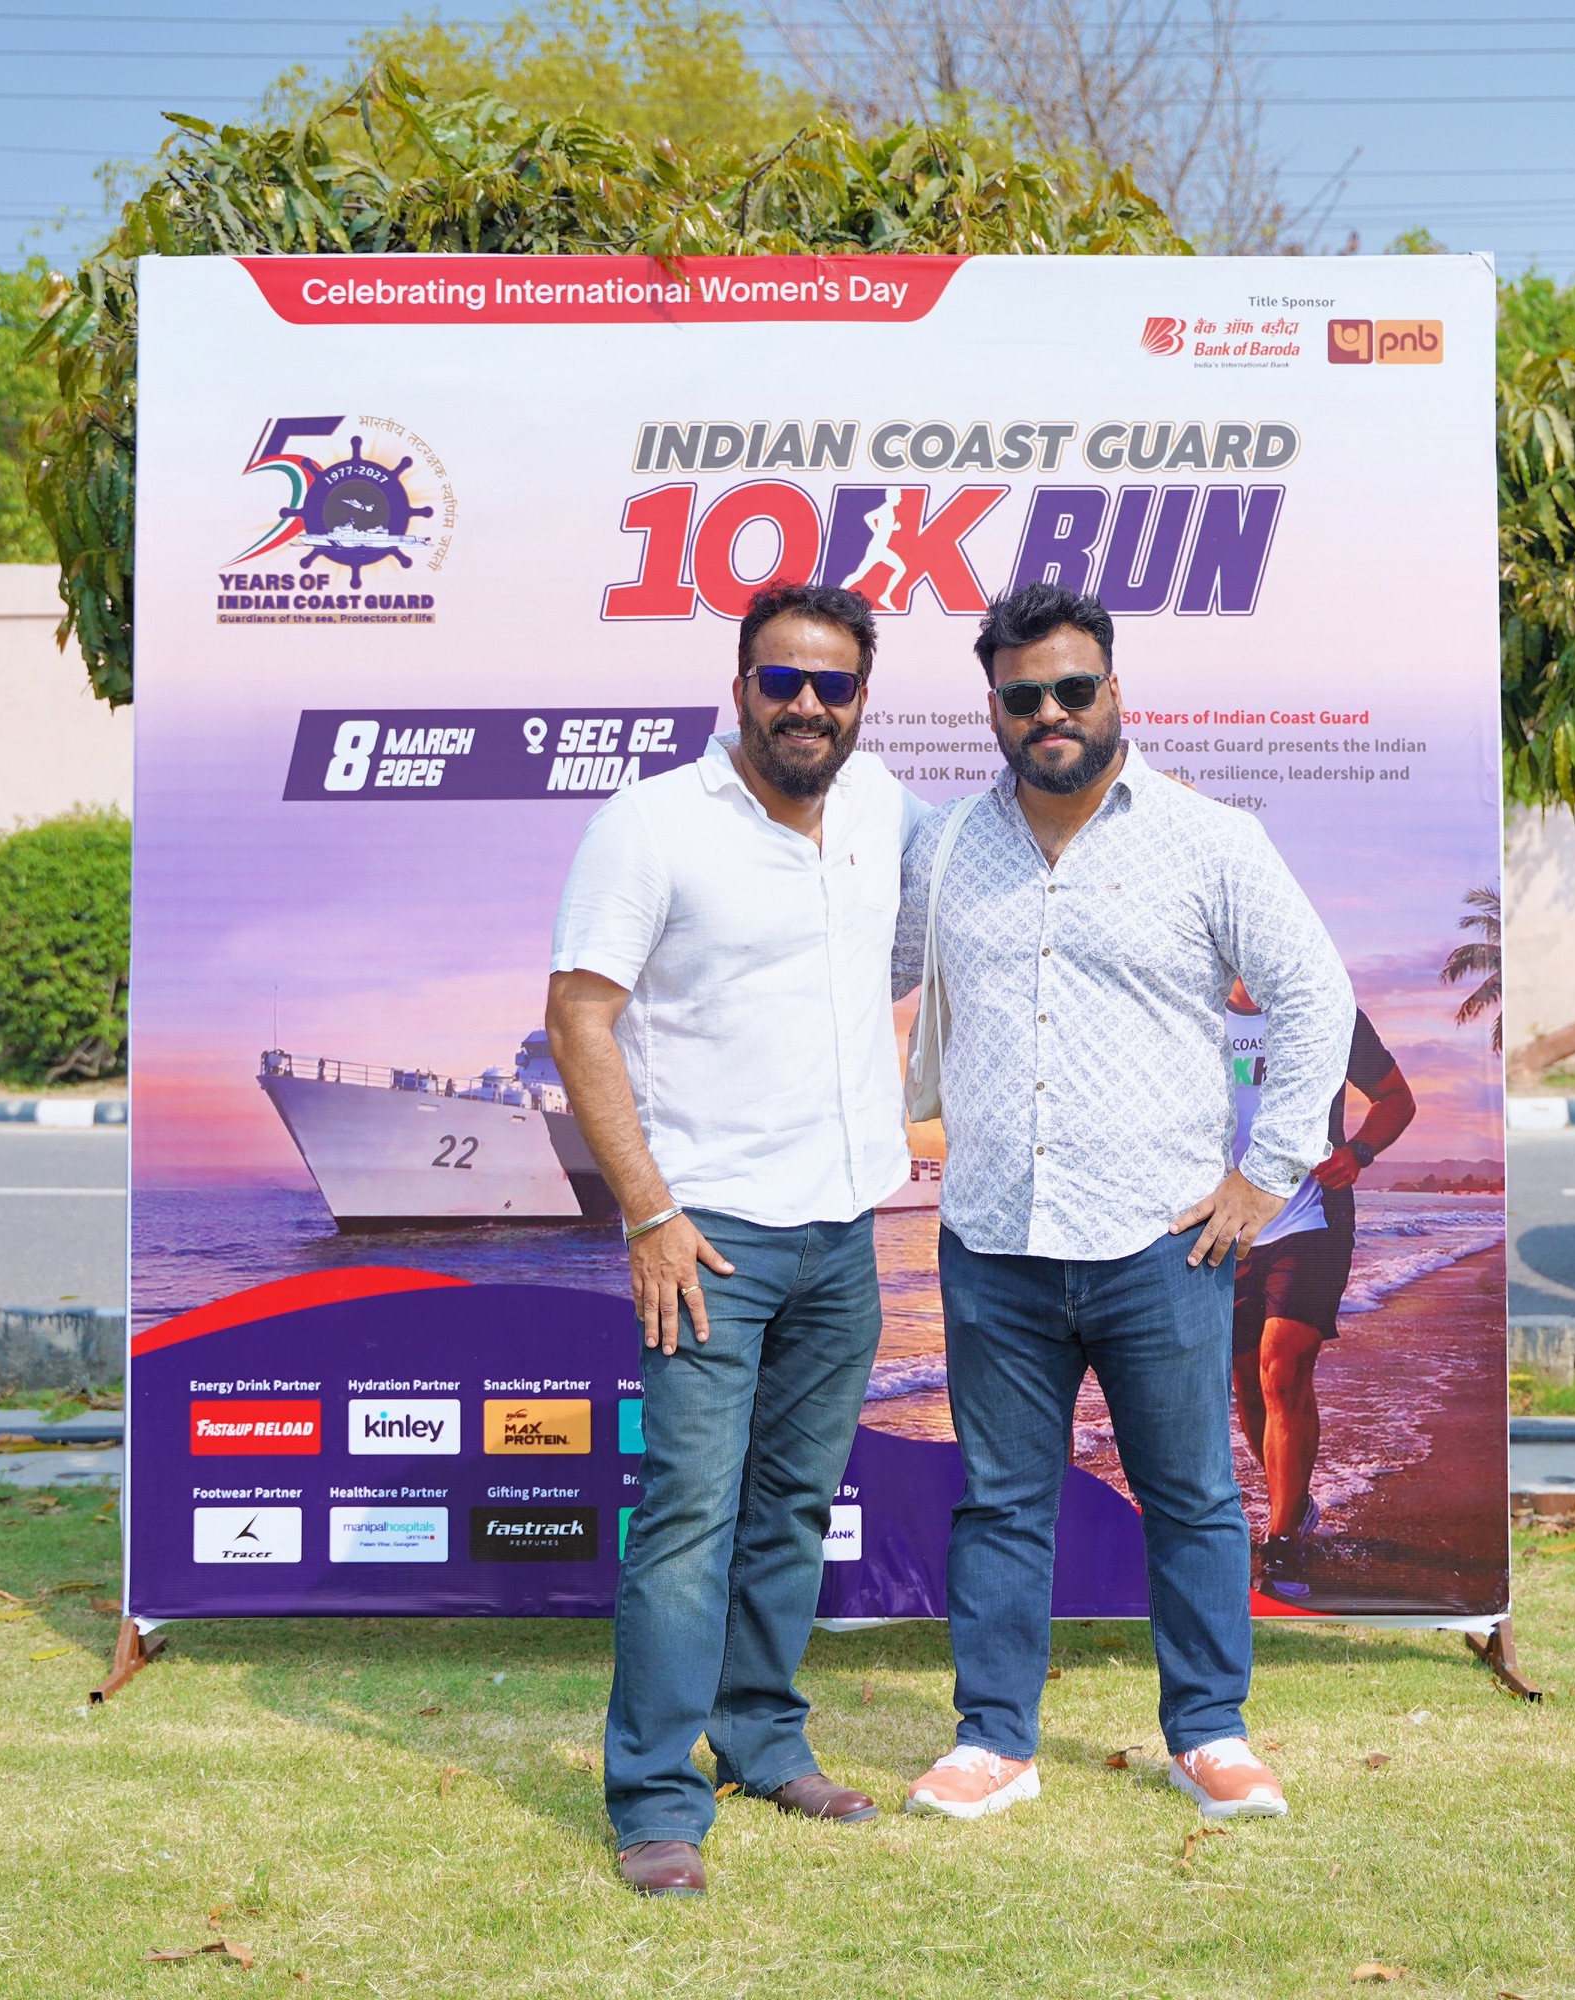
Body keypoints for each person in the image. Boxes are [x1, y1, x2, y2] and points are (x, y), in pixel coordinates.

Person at [893, 581, 1352, 1825]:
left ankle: (1209, 1732)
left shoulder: (1211, 840)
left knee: (1192, 1494)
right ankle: (994, 1740)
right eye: (1023, 695)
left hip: (1163, 1243)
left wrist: (1268, 1175)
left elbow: (1316, 994)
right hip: (994, 1238)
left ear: (1114, 691)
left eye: (1072, 688)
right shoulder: (943, 850)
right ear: (993, 708)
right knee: (1001, 1501)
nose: (1050, 712)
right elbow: (858, 973)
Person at [544, 580, 913, 1897]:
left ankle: (763, 1740)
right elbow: (578, 1016)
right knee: (690, 1516)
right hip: (708, 1242)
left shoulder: (882, 810)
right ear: (740, 687)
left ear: (861, 698)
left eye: (833, 683)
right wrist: (648, 1211)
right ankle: (655, 1797)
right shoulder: (650, 825)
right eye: (782, 679)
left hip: (843, 1231)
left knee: (793, 1509)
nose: (807, 703)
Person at [1222, 980, 1415, 1602]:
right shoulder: (1189, 1006)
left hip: (1311, 1220)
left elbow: (1395, 1098)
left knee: (1282, 1372)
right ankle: (1297, 1503)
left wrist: (1358, 1152)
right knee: (1248, 1385)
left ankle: (1282, 1540)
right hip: (1226, 1225)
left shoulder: (1326, 1010)